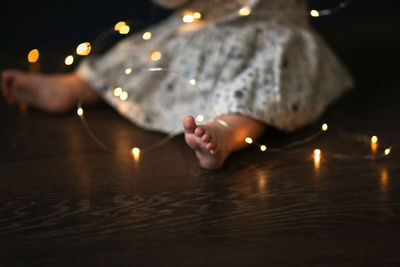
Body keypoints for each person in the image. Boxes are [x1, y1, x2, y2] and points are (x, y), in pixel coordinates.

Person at [1, 0, 353, 169]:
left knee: (259, 80)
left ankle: (225, 132)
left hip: (268, 31)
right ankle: (77, 86)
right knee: (144, 51)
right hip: (202, 28)